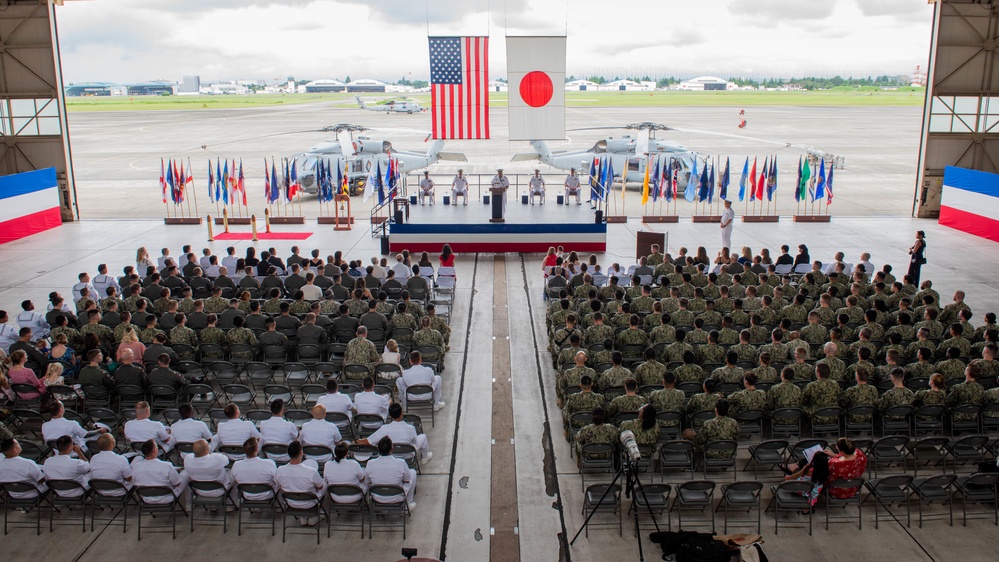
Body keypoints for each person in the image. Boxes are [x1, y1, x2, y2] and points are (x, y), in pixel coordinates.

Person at [275, 441, 324, 525]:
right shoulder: (311, 471)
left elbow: (279, 486)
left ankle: (303, 517)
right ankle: (315, 516)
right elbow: (320, 487)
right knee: (325, 484)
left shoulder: (280, 470)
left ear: (287, 453)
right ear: (301, 453)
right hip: (310, 502)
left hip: (291, 502)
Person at [365, 436, 417, 512]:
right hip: (397, 496)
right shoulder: (401, 463)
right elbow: (407, 480)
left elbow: (368, 481)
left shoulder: (370, 463)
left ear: (378, 449)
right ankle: (407, 506)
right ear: (392, 449)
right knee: (413, 472)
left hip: (377, 497)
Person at [130, 440, 188, 506]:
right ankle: (188, 505)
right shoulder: (167, 466)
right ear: (155, 450)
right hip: (167, 497)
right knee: (186, 473)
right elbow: (176, 484)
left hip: (145, 498)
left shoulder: (136, 467)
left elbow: (134, 483)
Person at [183, 439, 234, 505]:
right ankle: (230, 503)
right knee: (234, 472)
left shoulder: (187, 459)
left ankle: (212, 506)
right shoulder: (217, 458)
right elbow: (227, 461)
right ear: (206, 450)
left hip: (200, 490)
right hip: (220, 489)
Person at [230, 437, 278, 501]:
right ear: (256, 449)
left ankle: (232, 502)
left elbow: (234, 480)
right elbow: (277, 479)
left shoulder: (236, 465)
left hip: (247, 494)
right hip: (266, 494)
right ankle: (279, 506)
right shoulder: (269, 463)